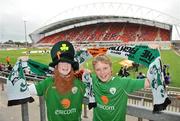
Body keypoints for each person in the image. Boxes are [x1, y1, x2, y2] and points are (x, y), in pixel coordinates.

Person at [27, 41, 85, 121]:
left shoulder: (80, 83)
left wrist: (87, 76)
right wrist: (21, 65)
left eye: (68, 62)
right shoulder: (47, 83)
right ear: (56, 66)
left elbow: (96, 90)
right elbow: (23, 90)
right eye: (61, 62)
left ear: (72, 66)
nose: (65, 65)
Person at [90, 54, 150, 121]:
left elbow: (149, 82)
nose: (102, 72)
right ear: (94, 71)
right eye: (98, 69)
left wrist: (155, 59)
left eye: (105, 68)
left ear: (111, 68)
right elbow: (78, 74)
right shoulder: (92, 80)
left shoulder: (123, 83)